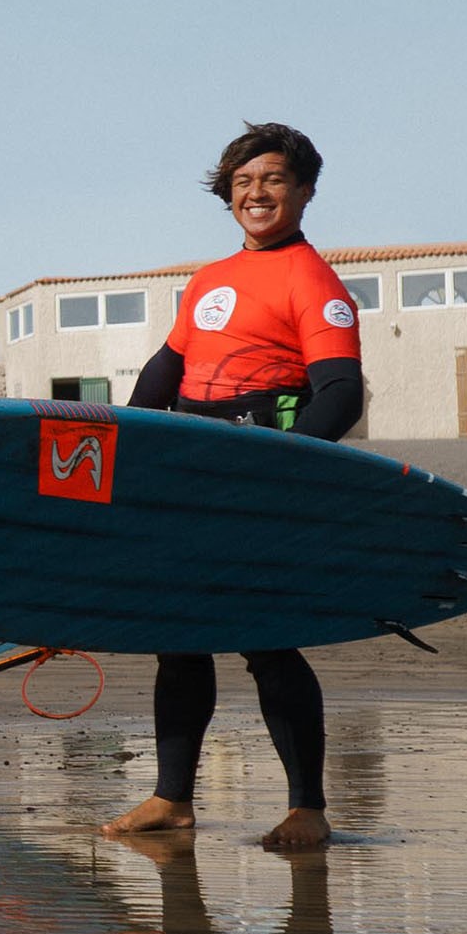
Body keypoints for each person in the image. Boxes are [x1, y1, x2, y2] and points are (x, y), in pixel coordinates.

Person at [101, 123, 365, 851]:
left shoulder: (312, 280)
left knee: (266, 638)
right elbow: (164, 371)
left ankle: (308, 807)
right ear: (227, 194)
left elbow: (340, 393)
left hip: (259, 468)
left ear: (305, 190)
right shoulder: (209, 279)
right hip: (192, 466)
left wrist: (283, 470)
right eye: (243, 182)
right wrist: (128, 448)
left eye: (274, 179)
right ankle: (172, 798)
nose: (257, 193)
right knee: (180, 639)